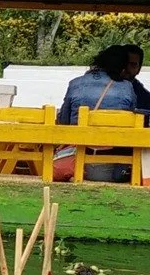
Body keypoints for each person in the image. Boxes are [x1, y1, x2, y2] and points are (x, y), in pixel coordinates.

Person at [55, 44, 137, 182]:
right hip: (112, 162)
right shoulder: (127, 87)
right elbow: (132, 121)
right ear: (123, 67)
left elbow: (64, 121)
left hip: (75, 160)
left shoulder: (75, 83)